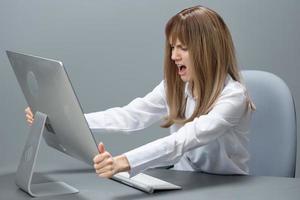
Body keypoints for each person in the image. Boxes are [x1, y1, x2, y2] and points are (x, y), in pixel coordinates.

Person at [25, 5, 255, 179]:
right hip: (185, 181)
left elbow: (183, 140)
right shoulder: (174, 86)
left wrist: (123, 162)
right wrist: (60, 120)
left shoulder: (233, 97)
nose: (174, 56)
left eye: (183, 48)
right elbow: (130, 116)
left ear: (208, 51)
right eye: (172, 47)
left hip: (227, 187)